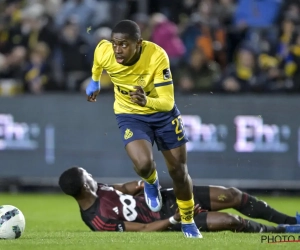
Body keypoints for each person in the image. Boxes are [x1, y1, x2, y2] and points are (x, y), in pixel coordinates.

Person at [85, 20, 200, 237]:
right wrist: (95, 81)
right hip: (130, 115)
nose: (118, 50)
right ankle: (151, 181)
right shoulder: (104, 50)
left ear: (139, 43)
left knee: (178, 171)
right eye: (115, 43)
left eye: (124, 45)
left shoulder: (156, 56)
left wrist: (147, 101)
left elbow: (167, 102)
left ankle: (187, 219)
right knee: (144, 164)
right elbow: (98, 62)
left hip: (163, 116)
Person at [58, 167, 300, 234]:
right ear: (85, 185)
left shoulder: (98, 189)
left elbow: (124, 189)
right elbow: (143, 229)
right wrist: (175, 219)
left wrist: (143, 185)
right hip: (168, 218)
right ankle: (283, 230)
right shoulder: (97, 220)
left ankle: (292, 220)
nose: (91, 174)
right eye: (87, 174)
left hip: (168, 198)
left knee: (232, 195)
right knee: (231, 221)